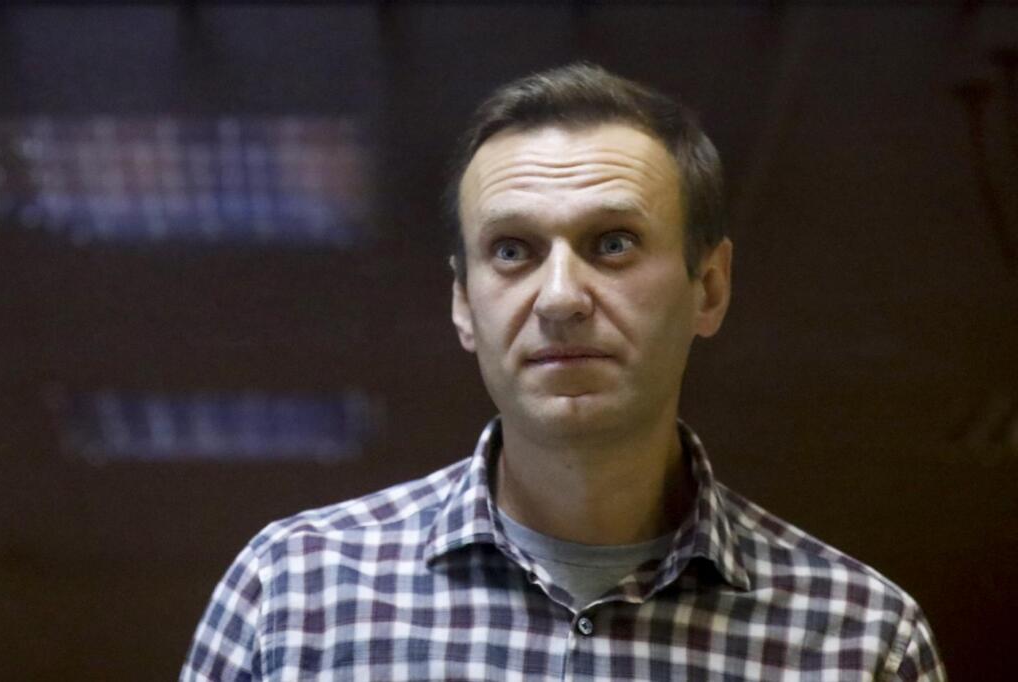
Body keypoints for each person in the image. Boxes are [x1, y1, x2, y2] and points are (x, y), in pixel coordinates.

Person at [181, 63, 946, 681]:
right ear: (463, 303)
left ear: (709, 288)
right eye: (512, 250)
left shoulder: (860, 640)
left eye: (612, 244)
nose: (558, 299)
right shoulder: (294, 593)